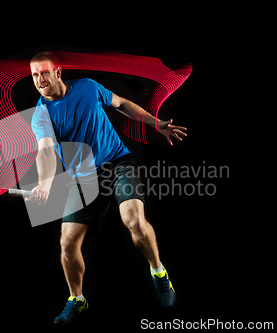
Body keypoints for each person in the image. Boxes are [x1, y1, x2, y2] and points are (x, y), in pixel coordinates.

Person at [26, 51, 187, 324]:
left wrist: (156, 124)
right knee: (67, 242)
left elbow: (122, 104)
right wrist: (43, 182)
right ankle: (77, 299)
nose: (39, 80)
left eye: (43, 73)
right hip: (82, 179)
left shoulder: (88, 87)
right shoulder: (41, 115)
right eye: (34, 75)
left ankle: (159, 272)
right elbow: (45, 152)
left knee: (134, 221)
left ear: (58, 72)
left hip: (117, 162)